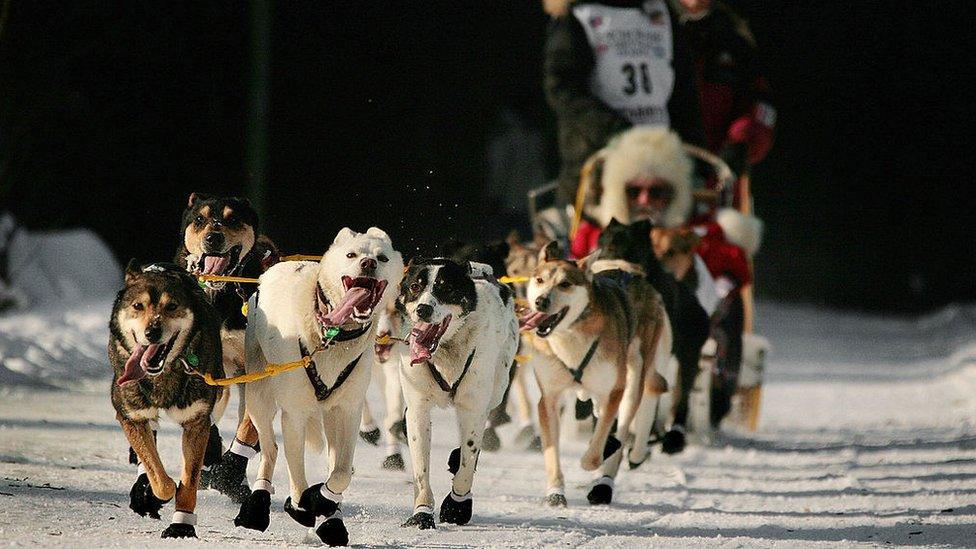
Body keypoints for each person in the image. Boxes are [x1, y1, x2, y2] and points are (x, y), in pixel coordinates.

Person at [674, 0, 773, 426]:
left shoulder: (734, 38)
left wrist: (741, 141)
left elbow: (760, 106)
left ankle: (721, 380)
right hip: (656, 171)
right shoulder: (646, 25)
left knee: (724, 264)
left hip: (715, 180)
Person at [543, 0, 704, 204]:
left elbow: (683, 96)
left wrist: (699, 163)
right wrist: (619, 133)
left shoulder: (661, 12)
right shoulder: (578, 15)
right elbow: (562, 89)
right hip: (600, 172)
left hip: (659, 173)